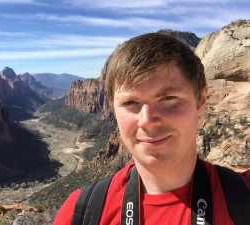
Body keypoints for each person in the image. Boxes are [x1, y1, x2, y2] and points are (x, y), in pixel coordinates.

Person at [53, 33, 250, 225]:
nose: (147, 120)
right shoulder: (81, 212)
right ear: (113, 108)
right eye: (131, 102)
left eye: (168, 98)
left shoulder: (242, 197)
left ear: (201, 100)